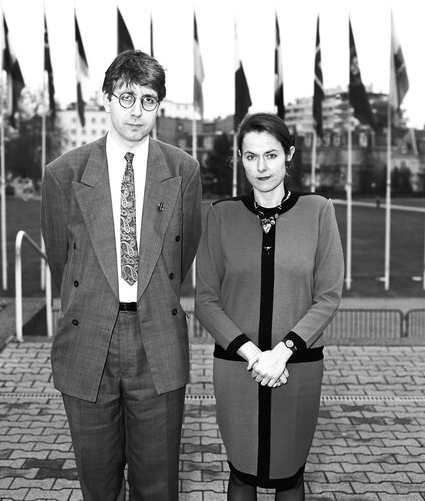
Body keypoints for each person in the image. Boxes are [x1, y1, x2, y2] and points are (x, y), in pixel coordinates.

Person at [41, 50, 202, 500]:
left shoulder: (183, 171)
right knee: (98, 484)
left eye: (148, 100)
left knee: (158, 485)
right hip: (89, 339)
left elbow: (181, 255)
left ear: (159, 106)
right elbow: (62, 260)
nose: (137, 111)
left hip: (158, 343)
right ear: (106, 100)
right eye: (126, 97)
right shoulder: (64, 174)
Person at [195, 113, 344, 500]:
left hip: (297, 366)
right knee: (242, 473)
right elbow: (206, 301)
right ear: (240, 159)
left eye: (271, 155)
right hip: (236, 368)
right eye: (250, 157)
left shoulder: (318, 212)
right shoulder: (221, 215)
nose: (261, 167)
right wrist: (253, 355)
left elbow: (328, 294)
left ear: (289, 155)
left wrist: (282, 353)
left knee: (289, 475)